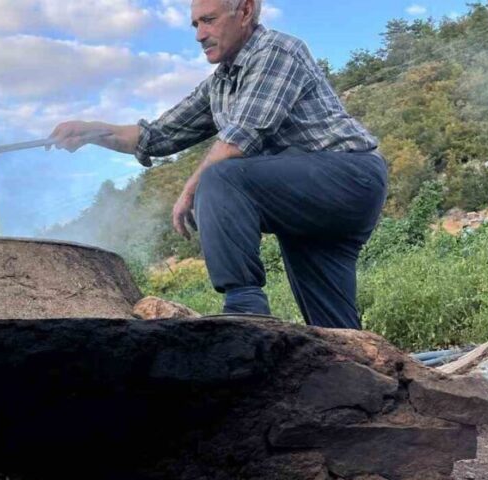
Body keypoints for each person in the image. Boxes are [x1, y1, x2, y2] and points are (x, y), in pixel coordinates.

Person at [49, 0, 387, 329]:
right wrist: (91, 131)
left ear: (245, 10)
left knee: (222, 177)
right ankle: (358, 360)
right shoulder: (220, 84)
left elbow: (240, 139)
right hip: (306, 206)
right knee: (334, 331)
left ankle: (245, 309)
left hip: (349, 179)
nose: (199, 35)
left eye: (209, 20)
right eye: (195, 24)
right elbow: (157, 136)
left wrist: (190, 190)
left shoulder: (277, 51)